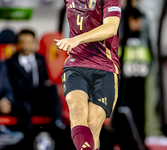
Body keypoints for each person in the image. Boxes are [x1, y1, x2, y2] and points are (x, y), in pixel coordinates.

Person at [54, 0, 121, 150]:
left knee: (93, 126)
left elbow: (111, 28)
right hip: (76, 64)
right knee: (77, 110)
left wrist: (77, 39)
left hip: (105, 66)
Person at [6, 29, 64, 134]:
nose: (25, 45)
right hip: (22, 97)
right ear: (18, 43)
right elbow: (17, 86)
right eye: (22, 42)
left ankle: (57, 125)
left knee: (53, 90)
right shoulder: (11, 62)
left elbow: (45, 79)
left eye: (28, 42)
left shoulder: (40, 59)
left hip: (39, 98)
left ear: (34, 43)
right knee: (51, 89)